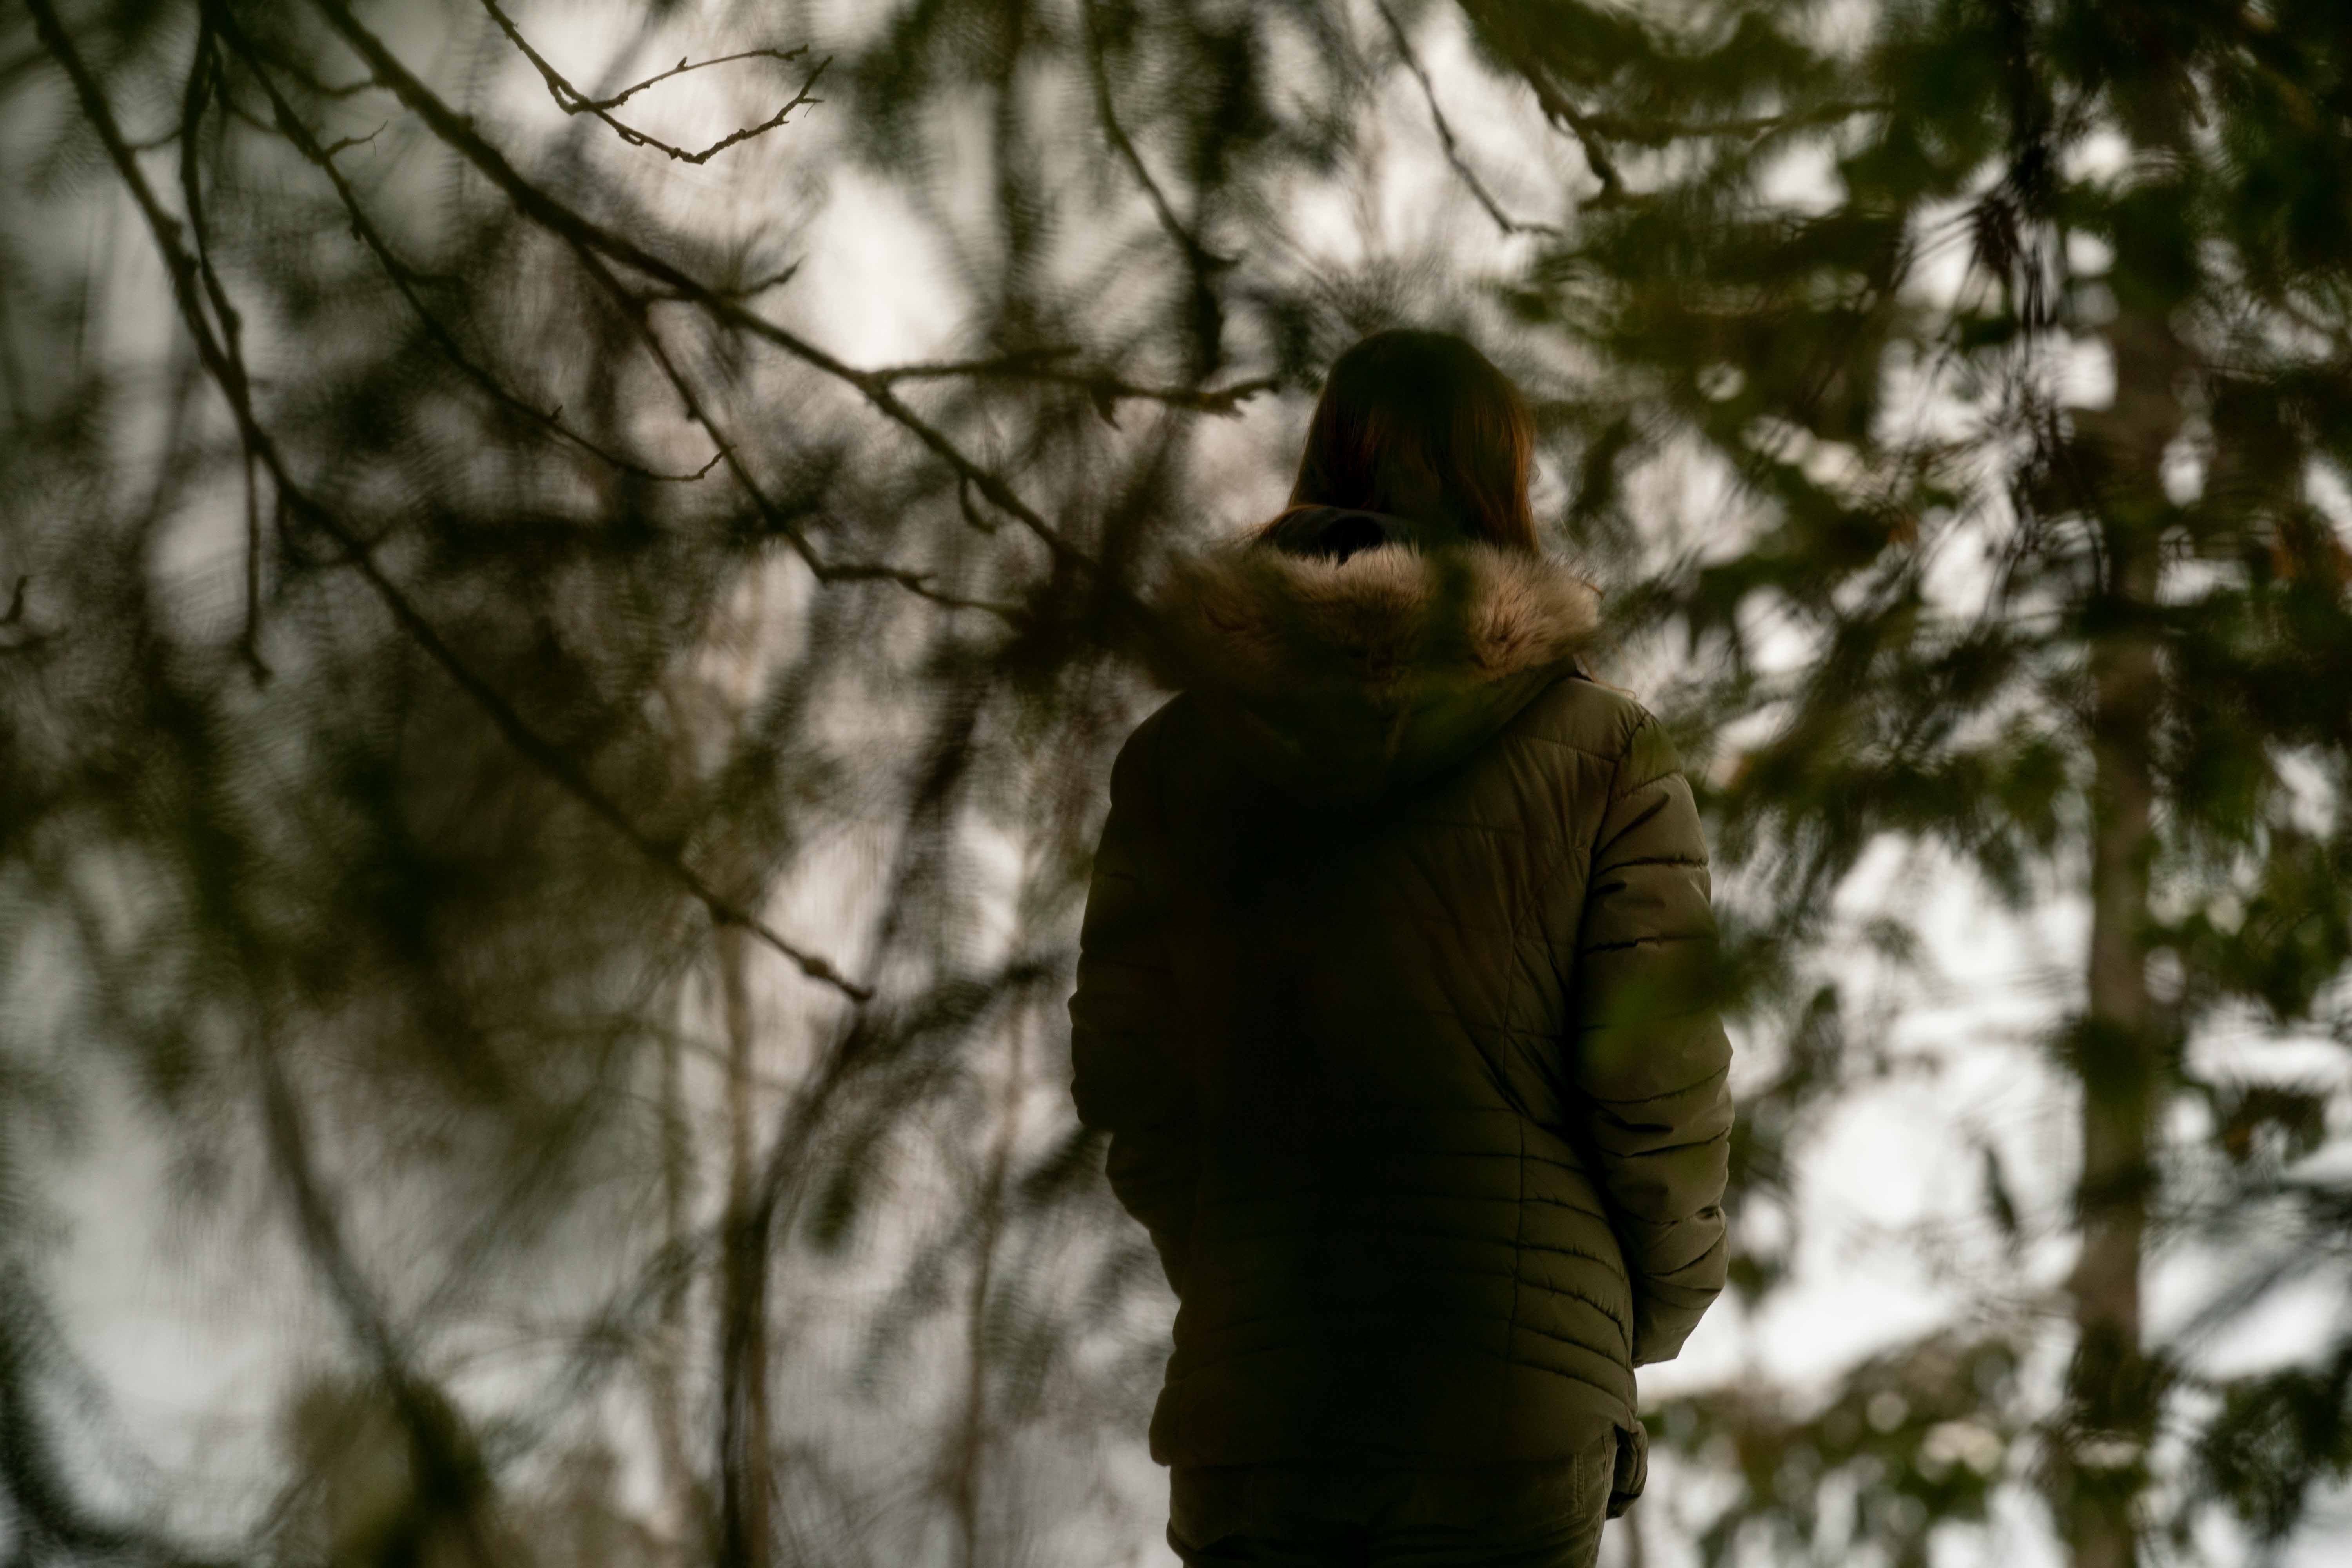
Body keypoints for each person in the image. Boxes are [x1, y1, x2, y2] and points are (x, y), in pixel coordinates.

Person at [1067, 328, 1734, 1567]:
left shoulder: (1175, 761)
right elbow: (1661, 1083)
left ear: (1325, 466)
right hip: (1516, 1408)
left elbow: (1131, 1082)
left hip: (1261, 1408)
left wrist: (1242, 1281)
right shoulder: (1606, 753)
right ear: (1504, 491)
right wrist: (1629, 1315)